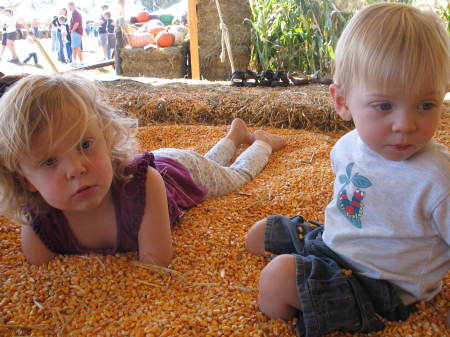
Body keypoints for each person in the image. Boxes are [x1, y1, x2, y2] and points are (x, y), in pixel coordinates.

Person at [245, 3, 449, 337]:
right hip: (334, 245)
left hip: (382, 287)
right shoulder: (347, 146)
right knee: (259, 233)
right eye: (384, 106)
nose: (406, 124)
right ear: (342, 102)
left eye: (426, 105)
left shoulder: (438, 178)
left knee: (277, 278)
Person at [0, 73, 286, 267]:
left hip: (179, 171)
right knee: (211, 162)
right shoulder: (40, 224)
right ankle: (234, 137)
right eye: (49, 161)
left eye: (85, 144)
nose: (76, 168)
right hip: (173, 161)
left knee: (234, 177)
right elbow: (42, 268)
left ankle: (262, 143)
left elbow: (157, 261)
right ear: (25, 180)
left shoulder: (143, 184)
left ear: (107, 137)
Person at [68, 2, 83, 67]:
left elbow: (76, 23)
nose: (68, 8)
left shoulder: (75, 13)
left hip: (76, 32)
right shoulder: (75, 13)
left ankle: (81, 62)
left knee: (77, 48)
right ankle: (74, 62)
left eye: (69, 6)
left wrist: (72, 30)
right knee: (74, 48)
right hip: (76, 32)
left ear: (72, 6)